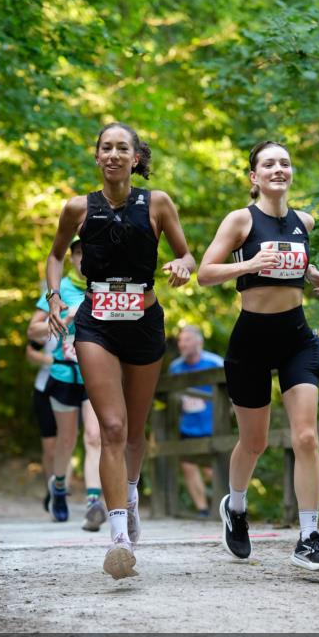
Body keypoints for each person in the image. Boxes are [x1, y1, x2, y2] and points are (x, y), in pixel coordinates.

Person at [46, 122, 195, 579]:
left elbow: (189, 255)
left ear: (135, 158)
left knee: (134, 431)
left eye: (122, 148)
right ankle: (118, 540)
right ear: (97, 157)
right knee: (111, 426)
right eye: (105, 148)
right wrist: (54, 296)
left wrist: (182, 266)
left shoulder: (159, 203)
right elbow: (55, 256)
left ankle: (130, 495)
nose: (113, 154)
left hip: (144, 323)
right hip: (96, 324)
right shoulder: (77, 208)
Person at [197, 140, 319, 573]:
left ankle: (309, 538)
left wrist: (312, 274)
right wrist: (249, 263)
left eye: (285, 162)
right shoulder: (241, 220)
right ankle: (235, 508)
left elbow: (290, 264)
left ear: (290, 173)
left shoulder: (304, 221)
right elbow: (205, 274)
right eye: (268, 164)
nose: (279, 168)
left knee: (306, 438)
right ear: (254, 177)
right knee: (254, 442)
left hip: (297, 338)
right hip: (251, 343)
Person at [27, 238, 106, 531]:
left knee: (95, 437)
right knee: (67, 439)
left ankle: (93, 503)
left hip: (95, 374)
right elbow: (33, 332)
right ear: (71, 258)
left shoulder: (105, 288)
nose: (84, 259)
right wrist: (59, 317)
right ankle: (58, 487)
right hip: (63, 374)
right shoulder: (58, 291)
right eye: (79, 254)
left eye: (89, 252)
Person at [168, 325, 224, 517]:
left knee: (211, 469)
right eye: (180, 341)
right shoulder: (175, 367)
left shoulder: (215, 363)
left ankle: (224, 507)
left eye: (187, 340)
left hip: (213, 423)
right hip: (188, 425)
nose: (182, 344)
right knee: (188, 466)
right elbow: (170, 396)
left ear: (198, 341)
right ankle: (202, 509)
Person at [25, 330, 58, 510]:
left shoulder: (87, 316)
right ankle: (51, 489)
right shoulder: (48, 323)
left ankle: (62, 491)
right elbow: (29, 352)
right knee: (50, 447)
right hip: (45, 389)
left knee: (66, 443)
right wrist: (52, 360)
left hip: (75, 388)